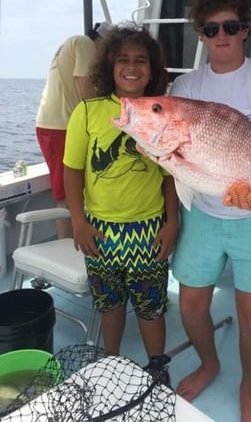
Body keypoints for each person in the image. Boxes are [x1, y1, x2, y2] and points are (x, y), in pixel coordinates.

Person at [169, 0, 251, 422]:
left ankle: (249, 389)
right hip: (203, 209)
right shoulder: (185, 84)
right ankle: (209, 364)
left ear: (245, 29)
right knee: (189, 304)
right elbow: (178, 163)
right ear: (200, 34)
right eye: (211, 27)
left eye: (231, 25)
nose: (221, 34)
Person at [63, 24, 179, 382]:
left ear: (152, 69)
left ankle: (156, 365)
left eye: (141, 60)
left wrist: (171, 222)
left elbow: (169, 174)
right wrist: (78, 222)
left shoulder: (164, 111)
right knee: (108, 304)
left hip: (147, 229)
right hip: (100, 230)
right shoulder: (87, 112)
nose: (132, 67)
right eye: (123, 60)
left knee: (150, 306)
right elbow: (72, 171)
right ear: (109, 67)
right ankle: (110, 360)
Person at [36, 21, 111, 239]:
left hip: (61, 125)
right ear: (101, 41)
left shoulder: (73, 45)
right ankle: (67, 248)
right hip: (60, 127)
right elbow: (87, 92)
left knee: (75, 189)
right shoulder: (85, 44)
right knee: (66, 195)